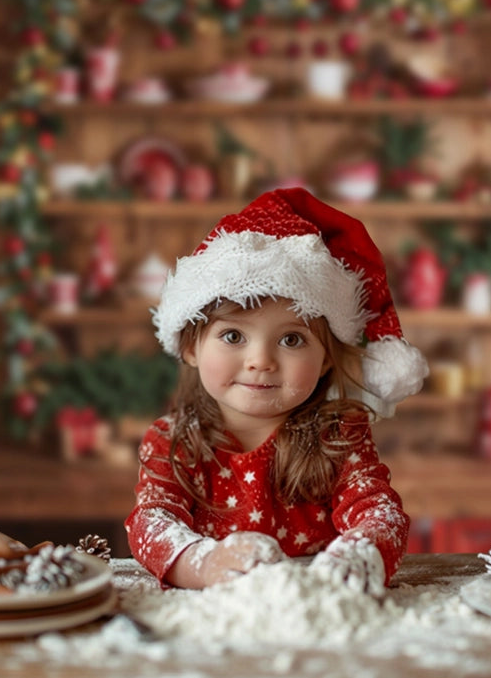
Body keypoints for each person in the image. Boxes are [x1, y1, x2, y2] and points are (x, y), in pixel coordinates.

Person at [125, 187, 430, 595]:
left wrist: (361, 554)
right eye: (233, 335)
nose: (260, 360)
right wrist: (205, 564)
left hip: (314, 616)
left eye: (291, 340)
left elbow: (379, 513)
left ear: (325, 359)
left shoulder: (338, 435)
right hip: (210, 625)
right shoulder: (173, 442)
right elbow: (152, 521)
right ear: (190, 347)